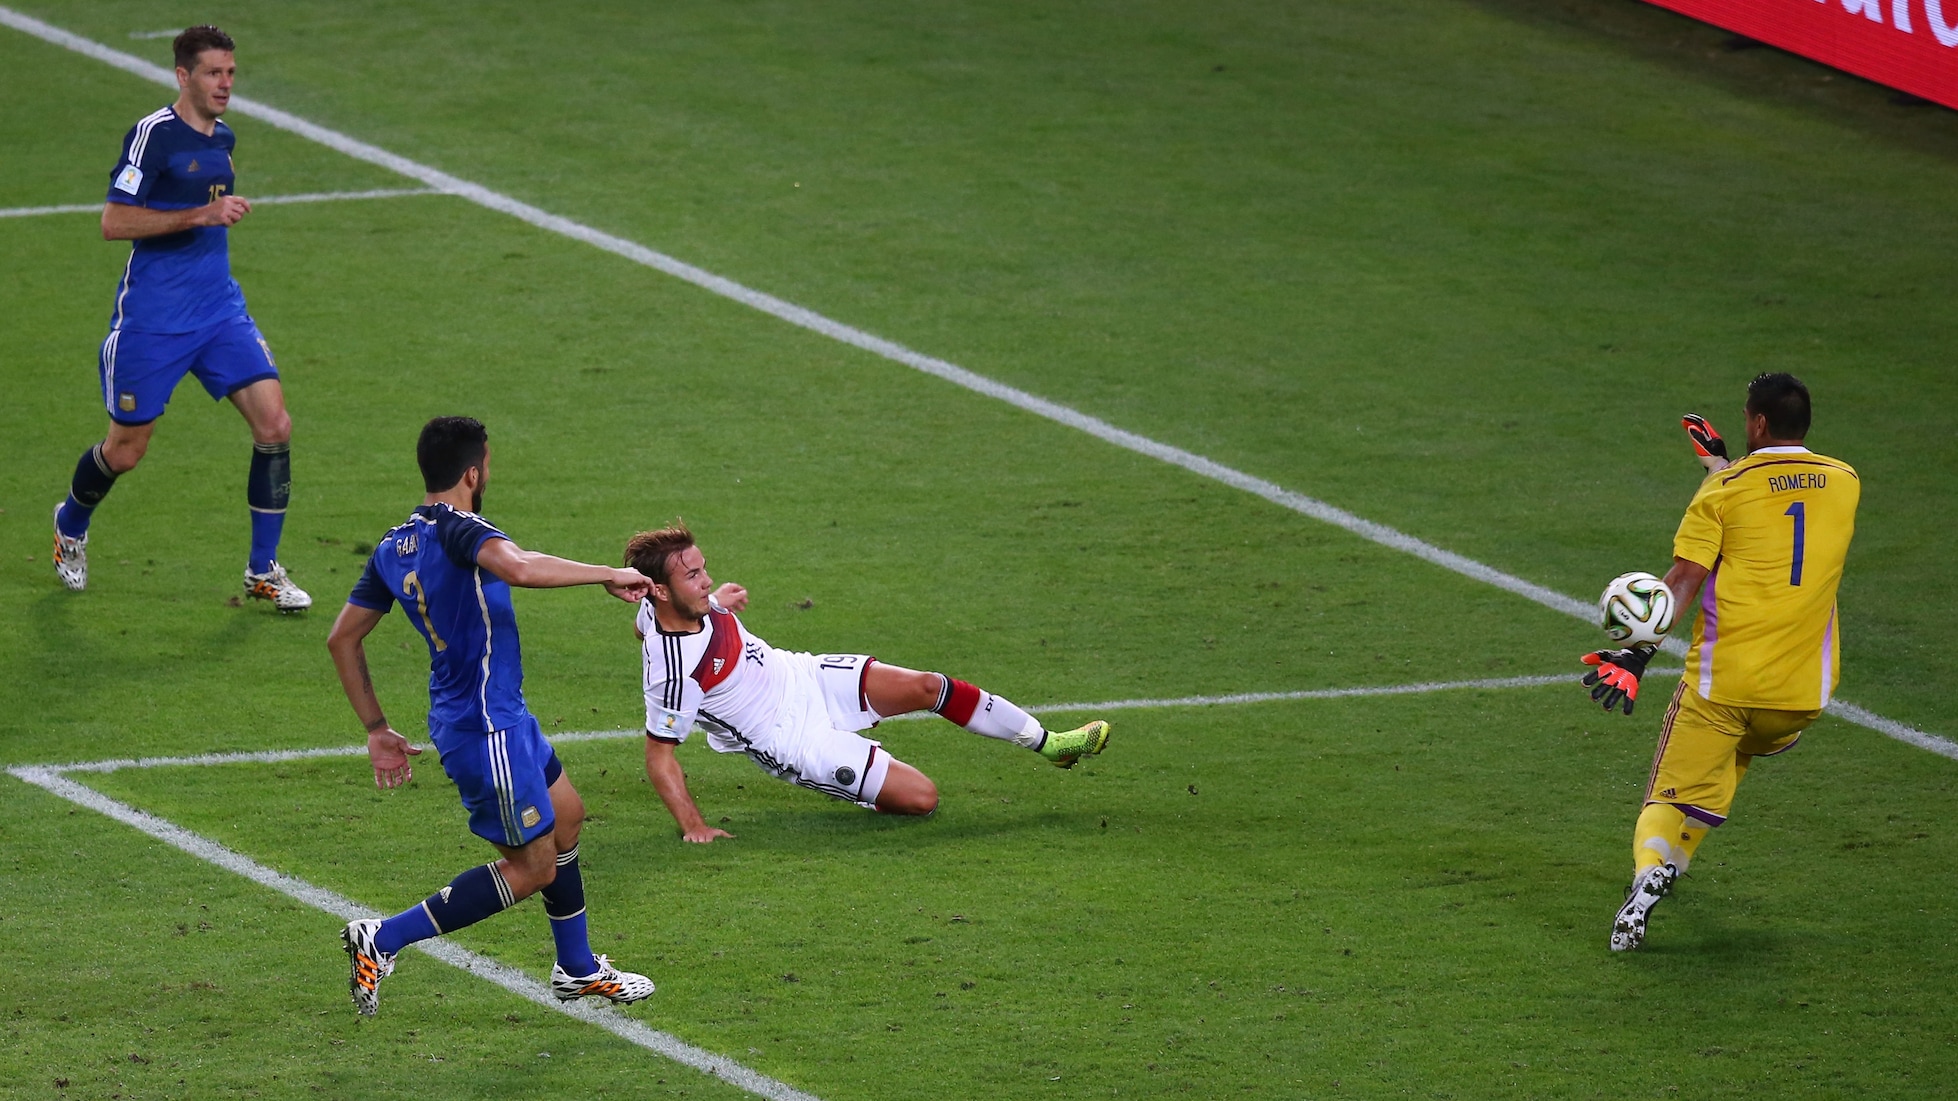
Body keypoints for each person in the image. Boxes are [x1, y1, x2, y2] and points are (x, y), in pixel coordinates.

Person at [325, 417, 656, 1015]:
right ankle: (384, 937)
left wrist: (377, 729)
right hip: (486, 731)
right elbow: (521, 567)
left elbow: (341, 639)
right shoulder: (460, 528)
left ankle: (577, 969)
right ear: (473, 471)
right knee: (530, 867)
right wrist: (609, 573)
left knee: (569, 816)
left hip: (495, 715)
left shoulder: (393, 545)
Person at [1580, 373, 1859, 951]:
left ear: (1756, 423)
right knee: (1731, 763)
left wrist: (1635, 655)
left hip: (1724, 686)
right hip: (1801, 697)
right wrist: (1721, 467)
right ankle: (1675, 865)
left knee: (1668, 795)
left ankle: (1647, 873)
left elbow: (1681, 582)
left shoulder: (1725, 493)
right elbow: (1784, 500)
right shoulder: (1846, 482)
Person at [624, 522, 1112, 840]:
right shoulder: (671, 671)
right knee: (923, 800)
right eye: (693, 576)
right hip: (791, 739)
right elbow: (658, 752)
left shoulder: (662, 603)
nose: (706, 580)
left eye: (704, 567)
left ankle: (1051, 743)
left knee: (927, 686)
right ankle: (866, 784)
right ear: (664, 590)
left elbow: (651, 617)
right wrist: (693, 825)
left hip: (804, 675)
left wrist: (718, 603)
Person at [50, 25, 309, 610]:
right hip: (153, 322)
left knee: (275, 426)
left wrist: (209, 215)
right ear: (183, 76)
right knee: (126, 452)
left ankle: (261, 571)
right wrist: (201, 214)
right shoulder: (152, 137)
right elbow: (115, 222)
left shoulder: (225, 138)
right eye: (214, 73)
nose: (226, 84)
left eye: (232, 73)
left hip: (220, 312)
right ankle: (70, 522)